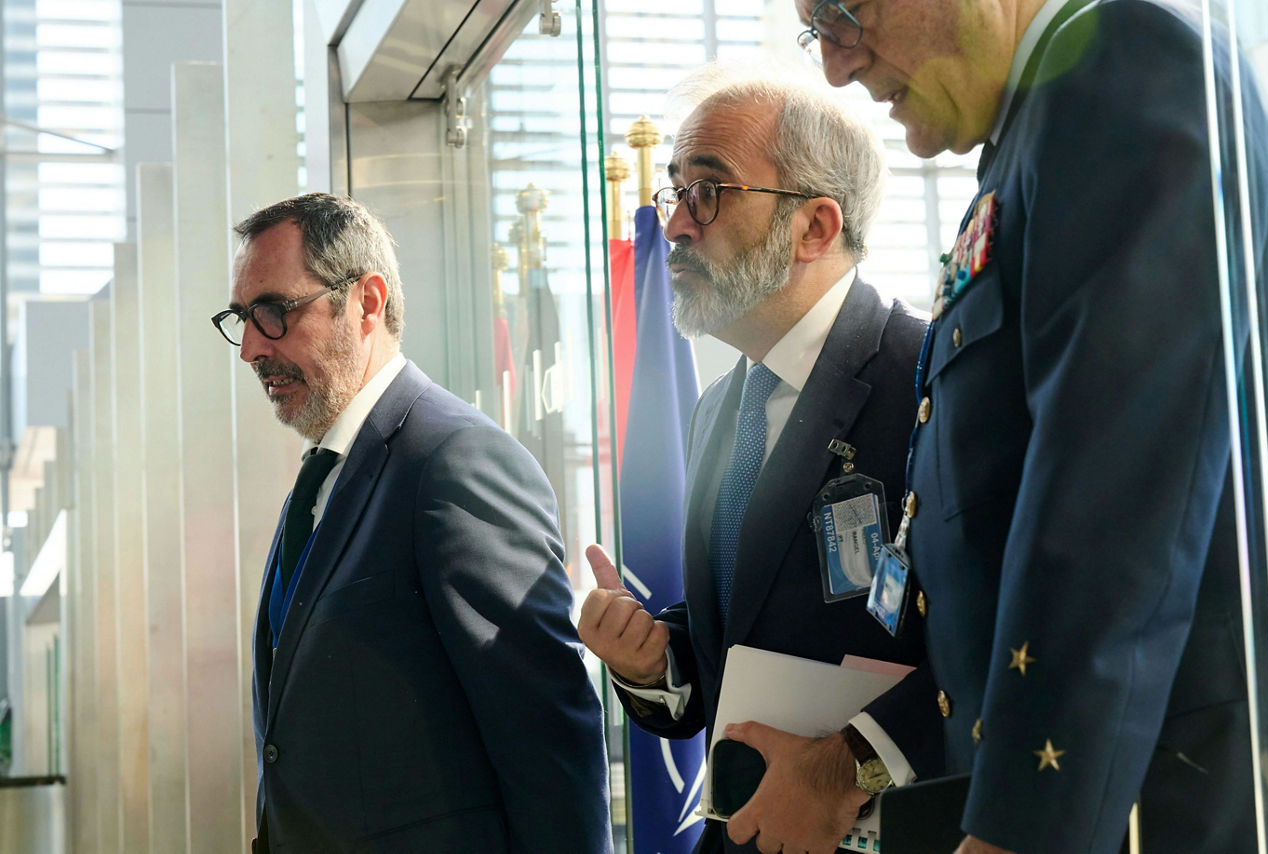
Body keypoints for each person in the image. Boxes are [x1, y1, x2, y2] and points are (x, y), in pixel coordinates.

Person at [781, 0, 1268, 851]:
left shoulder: (1123, 60)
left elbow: (1114, 509)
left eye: (844, 10)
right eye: (814, 30)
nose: (835, 63)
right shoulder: (1043, 111)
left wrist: (1024, 827)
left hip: (1142, 803)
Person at [578, 70, 943, 854]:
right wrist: (654, 661)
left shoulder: (929, 380)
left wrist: (850, 766)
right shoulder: (721, 406)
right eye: (673, 192)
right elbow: (738, 645)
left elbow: (1008, 642)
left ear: (815, 226)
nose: (673, 224)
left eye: (706, 191)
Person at [214, 193, 611, 853]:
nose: (251, 347)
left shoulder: (455, 462)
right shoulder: (322, 477)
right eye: (240, 318)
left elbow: (548, 740)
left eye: (274, 313)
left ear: (367, 302)